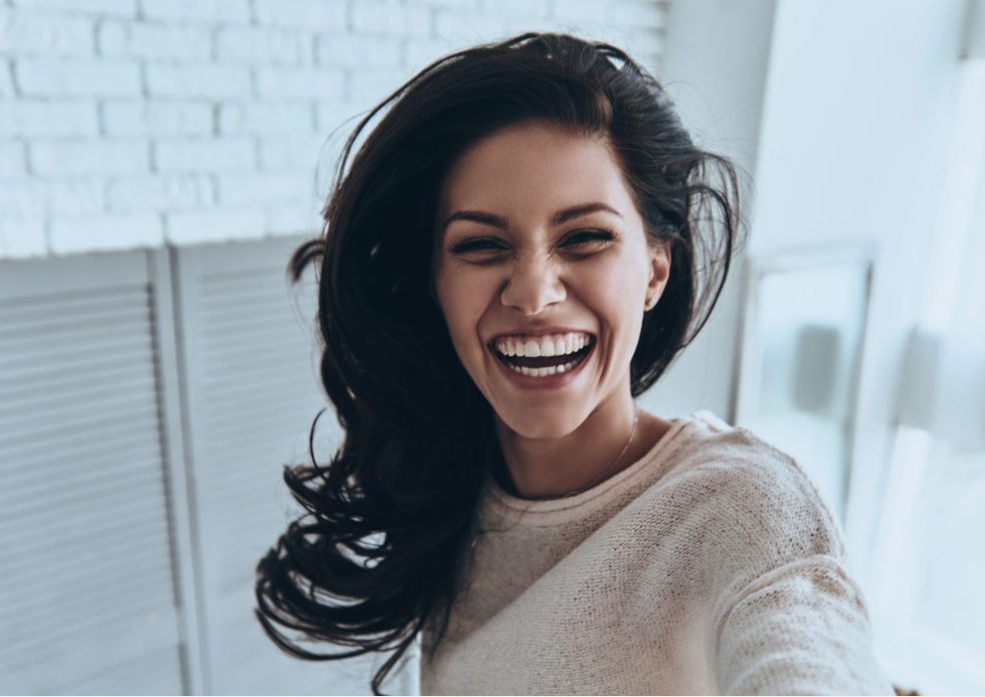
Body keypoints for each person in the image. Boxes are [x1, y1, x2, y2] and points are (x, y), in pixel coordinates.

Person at [254, 33, 894, 695]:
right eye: (480, 245)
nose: (533, 293)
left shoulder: (742, 507)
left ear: (655, 267)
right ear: (434, 283)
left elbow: (807, 655)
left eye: (585, 238)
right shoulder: (454, 490)